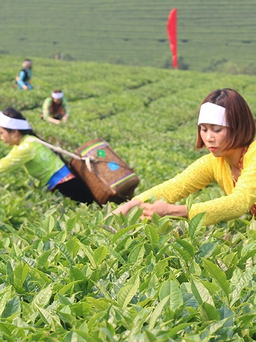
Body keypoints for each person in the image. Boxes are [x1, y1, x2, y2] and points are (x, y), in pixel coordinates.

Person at [108, 88, 256, 226]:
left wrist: (172, 211)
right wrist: (131, 205)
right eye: (204, 129)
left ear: (238, 127)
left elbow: (238, 203)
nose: (209, 137)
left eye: (217, 130)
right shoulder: (215, 162)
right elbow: (176, 186)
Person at [0, 107, 94, 204]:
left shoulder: (26, 146)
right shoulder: (28, 140)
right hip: (67, 182)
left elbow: (3, 166)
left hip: (66, 185)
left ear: (15, 132)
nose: (1, 137)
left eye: (2, 133)